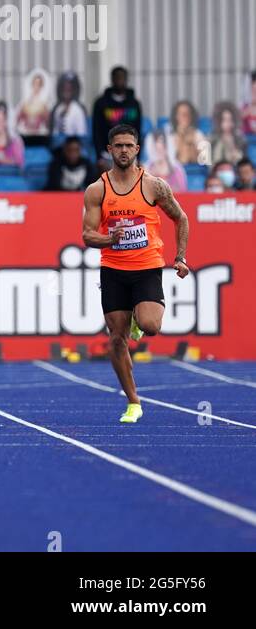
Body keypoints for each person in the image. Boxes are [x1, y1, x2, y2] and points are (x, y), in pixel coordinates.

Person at [81, 124, 190, 423]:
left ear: (138, 149)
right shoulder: (97, 190)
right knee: (116, 339)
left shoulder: (154, 186)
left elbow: (181, 218)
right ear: (109, 149)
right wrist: (110, 239)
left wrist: (180, 257)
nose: (124, 150)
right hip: (114, 270)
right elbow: (88, 235)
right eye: (118, 146)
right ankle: (133, 401)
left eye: (129, 145)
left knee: (150, 325)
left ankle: (138, 323)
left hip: (146, 267)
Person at [91, 66, 143, 158]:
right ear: (112, 79)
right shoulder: (101, 103)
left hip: (129, 153)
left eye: (122, 77)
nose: (119, 80)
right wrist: (100, 156)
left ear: (126, 79)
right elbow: (96, 131)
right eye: (117, 77)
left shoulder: (134, 104)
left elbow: (138, 130)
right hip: (107, 154)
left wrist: (137, 156)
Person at [15, 68, 53, 146]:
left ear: (42, 86)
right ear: (31, 84)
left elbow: (49, 125)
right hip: (25, 138)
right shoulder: (24, 103)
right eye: (35, 83)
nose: (36, 87)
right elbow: (17, 121)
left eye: (39, 84)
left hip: (40, 139)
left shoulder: (45, 104)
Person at [49, 71, 88, 138]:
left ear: (74, 90)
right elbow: (54, 132)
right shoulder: (57, 109)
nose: (67, 90)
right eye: (64, 88)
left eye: (69, 88)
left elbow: (81, 133)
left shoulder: (78, 109)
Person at [208, 102, 248, 166]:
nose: (228, 123)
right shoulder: (212, 139)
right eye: (225, 120)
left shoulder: (240, 139)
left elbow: (243, 161)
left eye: (230, 120)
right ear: (219, 121)